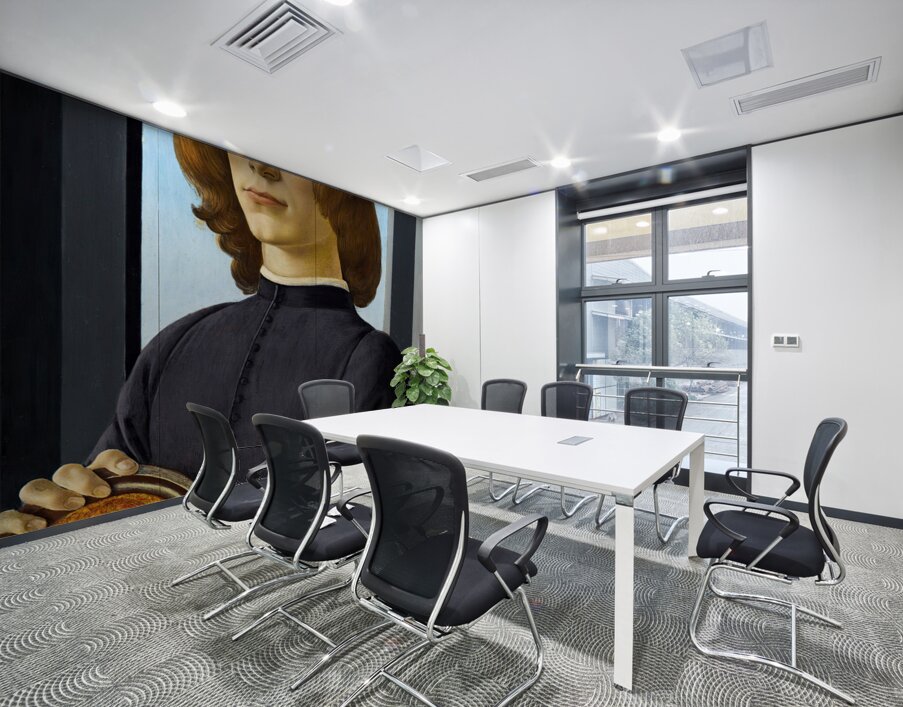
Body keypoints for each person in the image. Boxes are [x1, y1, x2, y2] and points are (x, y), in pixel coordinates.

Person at [0, 135, 400, 535]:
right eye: (245, 142)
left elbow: (359, 510)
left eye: (295, 152)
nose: (262, 168)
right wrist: (54, 516)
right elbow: (111, 482)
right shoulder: (178, 339)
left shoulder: (368, 355)